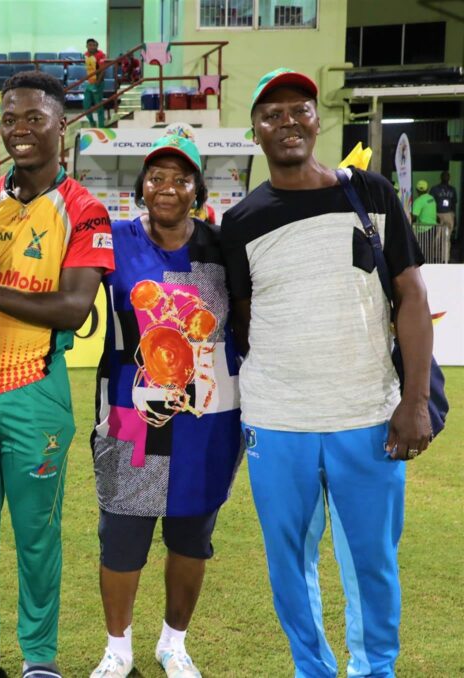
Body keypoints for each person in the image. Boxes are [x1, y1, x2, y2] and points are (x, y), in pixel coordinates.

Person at [220, 68, 433, 678]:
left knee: (372, 561)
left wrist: (415, 400)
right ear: (255, 132)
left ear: (318, 120)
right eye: (272, 114)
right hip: (277, 421)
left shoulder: (370, 193)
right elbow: (245, 320)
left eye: (300, 109)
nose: (287, 122)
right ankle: (311, 669)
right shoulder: (241, 222)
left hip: (366, 415)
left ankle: (375, 670)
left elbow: (412, 299)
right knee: (290, 564)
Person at [0, 70, 115, 678]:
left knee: (37, 535)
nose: (20, 130)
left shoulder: (84, 209)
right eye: (9, 119)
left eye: (35, 118)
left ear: (63, 124)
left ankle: (39, 656)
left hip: (35, 389)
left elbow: (74, 307)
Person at [88, 134, 242, 678]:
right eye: (156, 177)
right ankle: (118, 649)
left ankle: (173, 644)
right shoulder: (115, 240)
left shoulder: (223, 246)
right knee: (121, 537)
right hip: (130, 417)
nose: (167, 188)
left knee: (191, 539)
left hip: (208, 420)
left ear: (198, 189)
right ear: (141, 187)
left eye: (181, 178)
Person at [84, 38, 107, 128]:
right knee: (86, 106)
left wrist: (98, 82)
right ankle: (92, 123)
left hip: (98, 83)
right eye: (90, 45)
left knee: (99, 106)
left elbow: (103, 70)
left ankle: (101, 126)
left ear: (96, 46)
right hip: (89, 83)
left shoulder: (100, 55)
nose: (92, 47)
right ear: (86, 46)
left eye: (94, 45)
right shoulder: (85, 55)